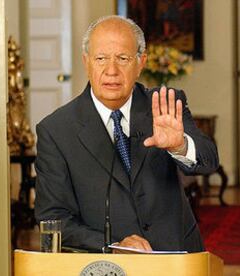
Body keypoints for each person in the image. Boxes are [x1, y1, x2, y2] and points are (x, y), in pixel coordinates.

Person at [34, 15, 219, 253]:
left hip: (177, 255)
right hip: (106, 264)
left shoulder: (164, 105)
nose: (111, 71)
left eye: (123, 58)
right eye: (101, 58)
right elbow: (53, 219)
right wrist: (111, 246)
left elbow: (209, 160)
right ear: (86, 61)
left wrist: (180, 146)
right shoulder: (56, 130)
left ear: (141, 63)